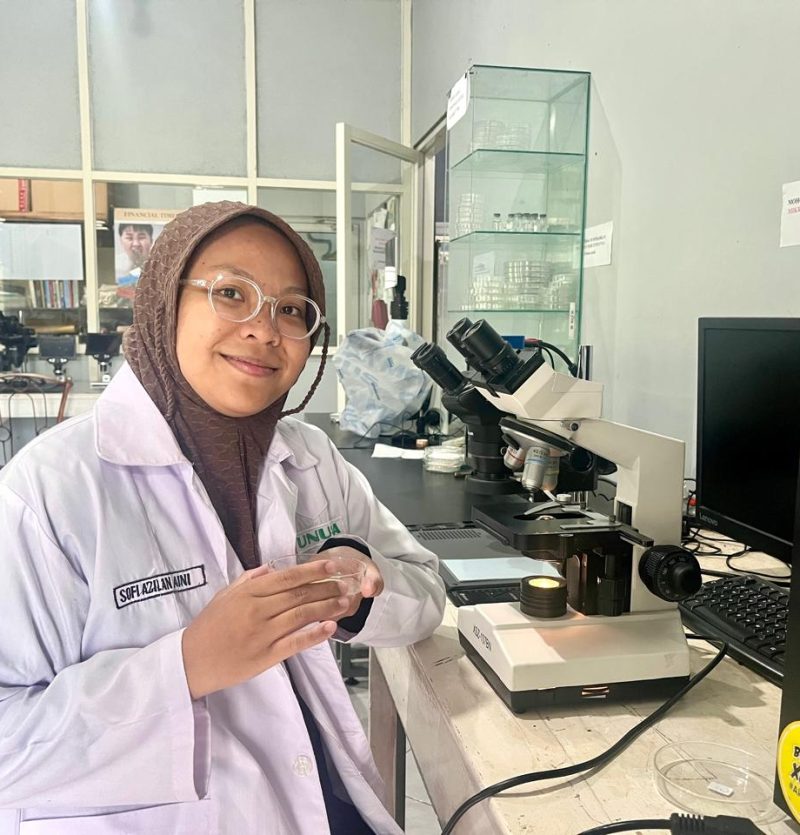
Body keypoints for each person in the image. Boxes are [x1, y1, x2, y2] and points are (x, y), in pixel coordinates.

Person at [0, 201, 446, 834]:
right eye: (232, 293)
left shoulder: (311, 457)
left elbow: (426, 594)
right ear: (162, 301)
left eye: (292, 309)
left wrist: (358, 592)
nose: (266, 330)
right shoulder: (48, 494)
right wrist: (186, 665)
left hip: (325, 803)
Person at [116, 222, 154, 287]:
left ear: (151, 241)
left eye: (141, 238)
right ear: (121, 241)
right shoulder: (117, 266)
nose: (136, 244)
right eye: (129, 238)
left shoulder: (160, 265)